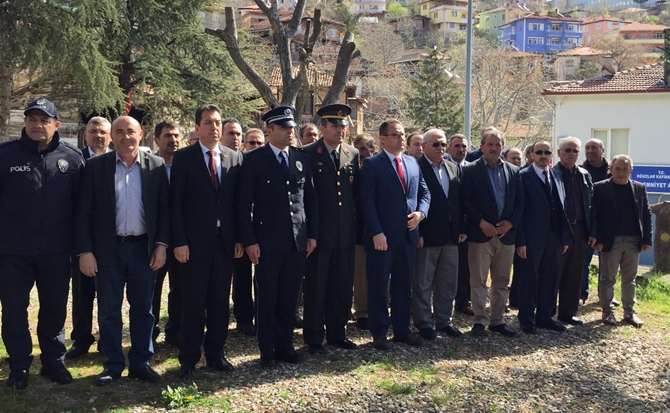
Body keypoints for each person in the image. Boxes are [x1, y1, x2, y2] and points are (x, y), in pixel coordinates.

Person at [76, 115, 169, 386]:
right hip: (108, 251)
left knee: (144, 310)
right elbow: (83, 213)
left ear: (141, 134)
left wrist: (161, 246)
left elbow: (164, 211)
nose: (125, 137)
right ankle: (113, 364)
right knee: (109, 311)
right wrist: (85, 251)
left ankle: (140, 363)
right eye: (119, 132)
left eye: (131, 131)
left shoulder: (155, 165)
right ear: (112, 136)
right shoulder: (95, 167)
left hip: (144, 250)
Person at [0, 98, 85, 390]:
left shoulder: (73, 159)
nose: (38, 125)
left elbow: (81, 209)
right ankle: (19, 366)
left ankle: (53, 363)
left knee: (54, 310)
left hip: (56, 252)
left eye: (44, 120)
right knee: (13, 312)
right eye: (32, 119)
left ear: (56, 125)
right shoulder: (5, 156)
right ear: (25, 123)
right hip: (13, 252)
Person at [237, 106, 318, 367]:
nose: (290, 131)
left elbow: (309, 200)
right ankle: (267, 349)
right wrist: (250, 240)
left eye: (292, 127)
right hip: (267, 242)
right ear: (269, 131)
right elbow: (243, 204)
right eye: (284, 127)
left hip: (296, 240)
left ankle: (285, 345)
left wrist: (311, 234)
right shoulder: (253, 160)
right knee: (267, 296)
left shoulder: (300, 158)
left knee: (289, 296)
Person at [170, 105, 242, 379]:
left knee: (220, 302)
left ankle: (216, 354)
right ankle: (188, 358)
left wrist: (238, 238)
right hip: (193, 244)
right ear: (197, 127)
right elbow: (175, 203)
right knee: (193, 302)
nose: (214, 127)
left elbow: (237, 203)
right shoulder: (184, 158)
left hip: (224, 243)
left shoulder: (234, 158)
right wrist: (179, 241)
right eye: (208, 122)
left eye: (218, 122)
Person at [358, 119, 430, 350]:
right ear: (383, 139)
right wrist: (377, 232)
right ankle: (379, 332)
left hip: (407, 236)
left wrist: (421, 213)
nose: (401, 138)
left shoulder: (412, 162)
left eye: (403, 134)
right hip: (383, 238)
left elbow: (424, 193)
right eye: (396, 135)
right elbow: (366, 202)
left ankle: (401, 330)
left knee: (403, 285)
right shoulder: (371, 165)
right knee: (379, 285)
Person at [302, 104, 359, 353]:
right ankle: (314, 337)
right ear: (322, 128)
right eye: (334, 126)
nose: (340, 130)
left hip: (344, 233)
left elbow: (353, 194)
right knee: (316, 285)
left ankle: (337, 333)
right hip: (319, 233)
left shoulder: (352, 154)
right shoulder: (306, 153)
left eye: (343, 126)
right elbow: (305, 196)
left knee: (342, 285)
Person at [461, 127, 523, 337]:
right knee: (478, 280)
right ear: (482, 146)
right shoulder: (470, 170)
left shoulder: (514, 171)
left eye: (498, 145)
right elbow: (466, 201)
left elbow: (520, 202)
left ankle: (497, 320)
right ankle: (479, 320)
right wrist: (480, 222)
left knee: (502, 281)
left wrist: (510, 223)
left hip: (506, 236)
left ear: (503, 147)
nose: (494, 148)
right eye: (490, 144)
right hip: (481, 235)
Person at [414, 129, 466, 340]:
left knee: (448, 282)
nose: (440, 148)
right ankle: (423, 322)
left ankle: (444, 321)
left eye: (443, 145)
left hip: (451, 236)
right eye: (435, 144)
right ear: (424, 146)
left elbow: (458, 202)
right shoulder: (415, 167)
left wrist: (461, 229)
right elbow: (414, 200)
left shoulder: (452, 168)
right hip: (426, 235)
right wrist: (417, 232)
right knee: (423, 282)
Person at [66, 116, 112, 360]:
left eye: (103, 131)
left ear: (110, 136)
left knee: (108, 294)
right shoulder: (75, 160)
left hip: (108, 239)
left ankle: (107, 339)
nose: (98, 136)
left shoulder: (116, 161)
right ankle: (81, 339)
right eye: (93, 131)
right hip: (81, 237)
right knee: (82, 293)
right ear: (85, 135)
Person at [515, 141, 572, 334]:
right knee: (529, 279)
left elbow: (562, 209)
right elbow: (519, 212)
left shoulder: (557, 175)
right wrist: (520, 241)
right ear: (531, 154)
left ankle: (545, 317)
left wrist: (564, 237)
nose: (543, 156)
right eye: (539, 152)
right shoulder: (522, 176)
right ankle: (526, 319)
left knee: (550, 278)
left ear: (551, 156)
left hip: (554, 238)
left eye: (547, 152)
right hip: (531, 239)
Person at [590, 155, 651, 328]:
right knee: (607, 278)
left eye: (625, 169)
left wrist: (647, 239)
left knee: (629, 279)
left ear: (631, 170)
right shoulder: (600, 188)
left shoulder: (639, 188)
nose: (621, 172)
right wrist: (597, 239)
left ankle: (629, 311)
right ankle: (607, 311)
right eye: (617, 168)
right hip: (610, 241)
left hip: (633, 241)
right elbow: (595, 215)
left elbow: (645, 215)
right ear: (611, 169)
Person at [554, 137, 593, 326]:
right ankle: (546, 312)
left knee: (575, 272)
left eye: (575, 151)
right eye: (567, 150)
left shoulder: (585, 175)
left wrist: (591, 231)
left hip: (580, 229)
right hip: (560, 228)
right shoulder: (551, 174)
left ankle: (568, 313)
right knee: (555, 271)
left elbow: (590, 206)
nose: (571, 154)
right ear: (559, 152)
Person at [151, 120, 183, 347]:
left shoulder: (187, 164)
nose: (172, 140)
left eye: (176, 136)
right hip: (155, 241)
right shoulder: (148, 166)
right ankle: (149, 332)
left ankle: (176, 331)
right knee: (151, 288)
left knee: (180, 288)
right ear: (156, 140)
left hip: (181, 239)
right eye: (167, 136)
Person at [580, 138, 612, 304]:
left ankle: (605, 296)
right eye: (587, 148)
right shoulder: (579, 170)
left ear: (602, 150)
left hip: (607, 223)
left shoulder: (612, 171)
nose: (590, 150)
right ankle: (581, 294)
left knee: (606, 263)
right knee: (583, 262)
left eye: (594, 147)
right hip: (586, 223)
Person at [445, 133, 473, 316]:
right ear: (449, 148)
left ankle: (464, 301)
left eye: (464, 146)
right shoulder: (444, 168)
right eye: (457, 146)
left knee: (467, 266)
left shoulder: (473, 169)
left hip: (470, 226)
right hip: (449, 226)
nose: (461, 150)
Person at [351, 133, 376, 330]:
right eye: (356, 149)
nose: (360, 153)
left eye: (363, 148)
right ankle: (361, 312)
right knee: (360, 275)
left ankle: (378, 308)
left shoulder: (378, 168)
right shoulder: (352, 171)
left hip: (379, 230)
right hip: (358, 230)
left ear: (372, 149)